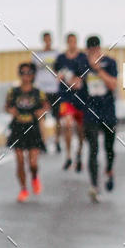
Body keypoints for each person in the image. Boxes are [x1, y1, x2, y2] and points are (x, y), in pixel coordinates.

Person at [76, 35, 118, 202]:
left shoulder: (110, 63)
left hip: (108, 110)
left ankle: (109, 170)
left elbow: (113, 85)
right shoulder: (82, 65)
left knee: (109, 149)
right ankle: (94, 186)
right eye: (90, 51)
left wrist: (98, 70)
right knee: (93, 149)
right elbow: (76, 84)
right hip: (90, 111)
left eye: (96, 50)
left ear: (100, 49)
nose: (94, 53)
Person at [5, 62, 49, 201]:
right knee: (19, 160)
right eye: (23, 73)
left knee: (33, 162)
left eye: (29, 73)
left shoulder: (38, 92)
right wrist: (10, 110)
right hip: (18, 128)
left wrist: (41, 111)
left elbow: (46, 106)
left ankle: (35, 177)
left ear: (33, 75)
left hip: (33, 129)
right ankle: (23, 189)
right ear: (19, 75)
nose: (26, 76)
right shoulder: (13, 91)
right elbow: (7, 106)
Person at [54, 33, 85, 171]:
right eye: (70, 42)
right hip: (65, 97)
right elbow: (56, 73)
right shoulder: (61, 58)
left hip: (80, 97)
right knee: (67, 124)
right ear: (67, 43)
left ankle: (79, 152)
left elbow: (83, 78)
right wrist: (60, 76)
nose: (72, 44)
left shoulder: (82, 57)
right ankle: (68, 155)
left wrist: (76, 80)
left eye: (74, 41)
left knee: (80, 129)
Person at [32, 31, 61, 152]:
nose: (48, 41)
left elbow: (61, 70)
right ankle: (43, 141)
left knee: (57, 117)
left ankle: (57, 141)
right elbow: (33, 72)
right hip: (41, 90)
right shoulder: (36, 55)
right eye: (46, 39)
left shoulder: (57, 54)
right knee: (41, 116)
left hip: (54, 88)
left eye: (49, 39)